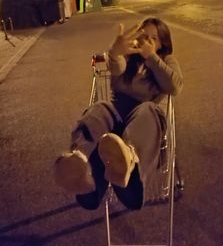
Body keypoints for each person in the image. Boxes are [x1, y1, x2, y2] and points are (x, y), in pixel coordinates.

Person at [54, 17, 183, 210]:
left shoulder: (165, 60)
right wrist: (114, 53)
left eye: (153, 38)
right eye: (143, 36)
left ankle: (129, 164)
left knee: (147, 110)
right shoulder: (129, 57)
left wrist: (152, 57)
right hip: (115, 119)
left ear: (162, 42)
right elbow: (117, 67)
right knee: (99, 109)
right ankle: (81, 165)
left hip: (143, 125)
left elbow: (174, 86)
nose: (146, 41)